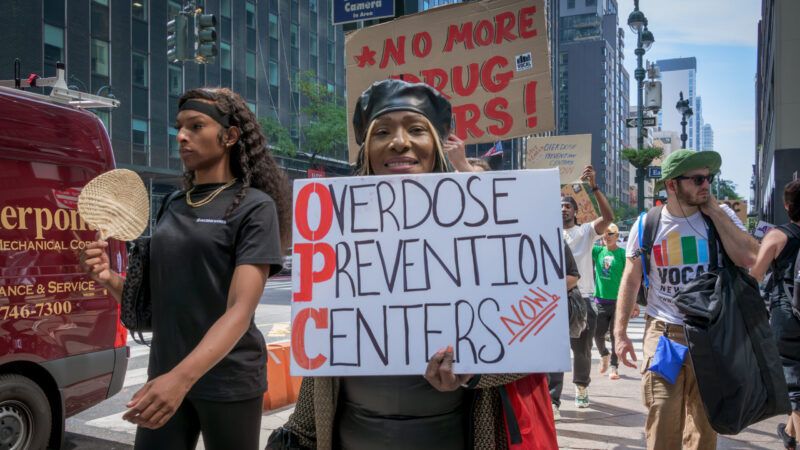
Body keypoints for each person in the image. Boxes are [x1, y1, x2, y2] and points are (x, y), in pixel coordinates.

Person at [270, 79, 563, 450]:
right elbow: (322, 355)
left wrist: (474, 373)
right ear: (366, 150)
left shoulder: (486, 221)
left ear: (437, 145)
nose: (399, 142)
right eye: (383, 132)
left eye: (416, 129)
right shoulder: (336, 227)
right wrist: (300, 432)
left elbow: (533, 337)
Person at [81, 88, 291, 450]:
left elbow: (240, 311)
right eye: (179, 127)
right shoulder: (174, 203)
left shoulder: (255, 208)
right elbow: (154, 309)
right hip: (164, 377)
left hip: (227, 380)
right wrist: (110, 280)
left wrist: (180, 380)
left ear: (229, 136)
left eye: (196, 126)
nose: (181, 136)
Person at [614, 149, 758, 450]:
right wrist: (620, 333)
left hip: (712, 336)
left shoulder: (721, 217)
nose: (706, 185)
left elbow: (750, 257)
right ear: (672, 185)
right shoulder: (646, 225)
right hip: (665, 334)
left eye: (709, 178)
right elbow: (631, 278)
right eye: (697, 179)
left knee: (704, 425)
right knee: (662, 415)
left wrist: (716, 212)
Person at [548, 166, 614, 416]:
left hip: (582, 299)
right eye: (560, 205)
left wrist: (594, 187)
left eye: (568, 206)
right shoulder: (546, 232)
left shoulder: (585, 232)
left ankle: (581, 387)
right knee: (554, 352)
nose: (563, 208)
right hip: (553, 300)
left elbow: (608, 218)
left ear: (576, 211)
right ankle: (553, 400)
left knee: (581, 350)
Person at [751, 179, 800, 450]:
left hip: (787, 315)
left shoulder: (778, 235)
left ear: (787, 206)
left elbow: (755, 275)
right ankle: (789, 436)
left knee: (794, 383)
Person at [591, 222, 631, 380]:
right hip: (600, 301)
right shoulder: (597, 251)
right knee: (597, 334)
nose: (606, 237)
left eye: (610, 234)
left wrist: (632, 302)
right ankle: (604, 355)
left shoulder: (622, 254)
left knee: (615, 335)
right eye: (605, 234)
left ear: (617, 236)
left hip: (618, 302)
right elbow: (582, 241)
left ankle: (614, 367)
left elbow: (629, 279)